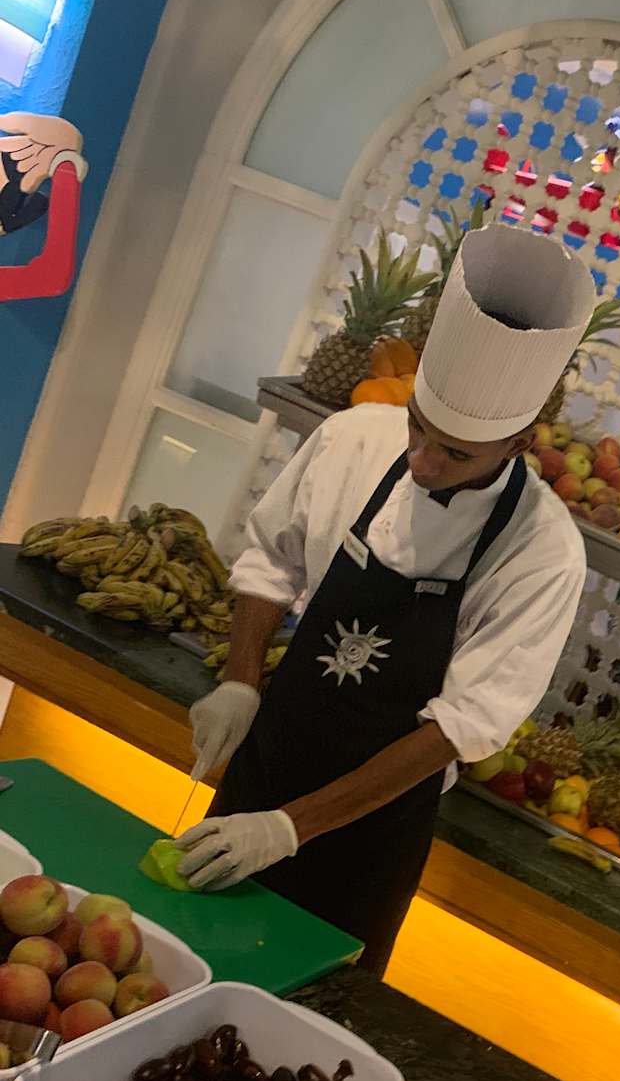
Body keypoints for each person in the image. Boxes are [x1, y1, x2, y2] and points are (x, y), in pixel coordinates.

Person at [176, 224, 594, 976]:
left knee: (310, 1010)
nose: (421, 461)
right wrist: (240, 681)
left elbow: (459, 727)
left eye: (454, 452)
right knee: (184, 964)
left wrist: (288, 831)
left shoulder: (542, 551)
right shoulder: (353, 438)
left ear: (519, 443)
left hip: (371, 831)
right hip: (266, 763)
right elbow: (271, 560)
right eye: (417, 429)